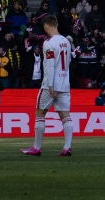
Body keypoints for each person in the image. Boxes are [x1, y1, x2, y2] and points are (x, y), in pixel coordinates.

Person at [21, 14, 75, 157]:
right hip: (64, 83)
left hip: (50, 84)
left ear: (46, 26)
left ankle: (36, 147)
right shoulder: (66, 41)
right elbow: (68, 63)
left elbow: (50, 65)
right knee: (65, 115)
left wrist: (50, 85)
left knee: (40, 113)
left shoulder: (49, 43)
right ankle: (67, 146)